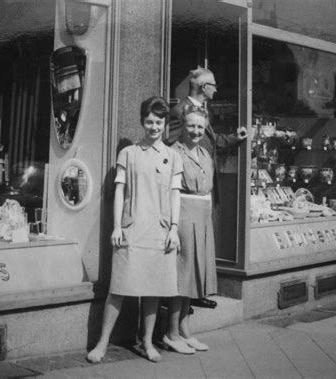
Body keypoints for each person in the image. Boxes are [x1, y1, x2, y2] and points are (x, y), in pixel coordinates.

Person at [87, 96, 183, 363]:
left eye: (159, 121)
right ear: (142, 122)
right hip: (132, 229)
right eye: (149, 121)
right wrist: (117, 227)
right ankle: (102, 344)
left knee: (153, 289)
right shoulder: (127, 154)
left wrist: (174, 229)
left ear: (165, 123)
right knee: (118, 288)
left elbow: (176, 196)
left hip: (160, 231)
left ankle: (147, 342)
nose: (154, 126)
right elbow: (119, 192)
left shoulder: (173, 157)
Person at [166, 67, 247, 309]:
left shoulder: (203, 113)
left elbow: (211, 143)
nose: (216, 89)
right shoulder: (179, 110)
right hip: (185, 190)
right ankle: (182, 296)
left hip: (203, 187)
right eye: (213, 85)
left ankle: (195, 291)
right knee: (186, 247)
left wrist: (234, 138)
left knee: (199, 243)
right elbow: (171, 143)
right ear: (203, 88)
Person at [164, 106, 215, 354]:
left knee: (193, 276)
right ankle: (171, 333)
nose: (196, 131)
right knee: (181, 277)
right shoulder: (174, 152)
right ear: (183, 125)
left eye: (200, 126)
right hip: (183, 216)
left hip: (203, 218)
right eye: (191, 125)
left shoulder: (205, 153)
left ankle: (184, 331)